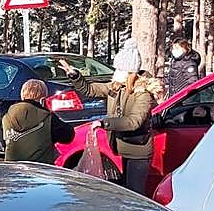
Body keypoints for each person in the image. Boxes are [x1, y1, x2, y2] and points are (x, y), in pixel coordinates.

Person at [59, 39, 156, 193]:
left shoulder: (143, 94)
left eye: (120, 69)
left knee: (136, 192)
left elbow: (133, 122)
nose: (116, 72)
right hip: (124, 147)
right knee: (128, 191)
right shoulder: (116, 87)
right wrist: (75, 75)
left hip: (139, 151)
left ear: (130, 73)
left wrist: (105, 123)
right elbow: (90, 90)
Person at [2, 79, 74, 164]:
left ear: (22, 95)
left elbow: (3, 143)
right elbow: (68, 136)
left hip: (13, 169)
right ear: (43, 98)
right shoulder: (47, 117)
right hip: (39, 170)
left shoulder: (6, 116)